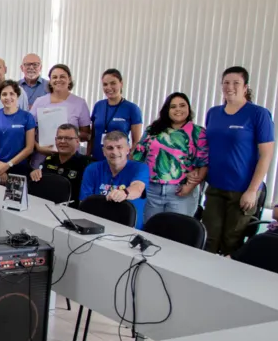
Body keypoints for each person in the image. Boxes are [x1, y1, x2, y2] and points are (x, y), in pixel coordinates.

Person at [201, 66, 276, 254]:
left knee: (231, 242)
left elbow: (266, 155)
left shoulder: (258, 114)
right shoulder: (213, 113)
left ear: (245, 87)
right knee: (209, 239)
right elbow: (207, 148)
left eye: (236, 83)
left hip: (242, 190)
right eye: (226, 82)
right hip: (215, 187)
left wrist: (252, 191)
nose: (230, 87)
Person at [131, 92, 208, 222]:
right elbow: (137, 156)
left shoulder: (198, 132)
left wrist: (190, 187)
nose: (178, 109)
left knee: (176, 234)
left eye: (182, 105)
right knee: (150, 231)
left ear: (188, 109)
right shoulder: (153, 129)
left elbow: (204, 163)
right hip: (151, 190)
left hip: (181, 192)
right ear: (167, 110)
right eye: (173, 106)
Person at [79, 131, 149, 229]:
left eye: (119, 147)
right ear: (103, 151)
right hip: (96, 226)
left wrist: (124, 193)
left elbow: (137, 188)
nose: (114, 152)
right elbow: (84, 203)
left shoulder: (140, 168)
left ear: (128, 149)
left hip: (129, 229)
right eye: (109, 148)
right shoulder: (92, 169)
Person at [30, 64, 91, 168]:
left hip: (70, 160)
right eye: (54, 77)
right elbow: (29, 131)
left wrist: (68, 137)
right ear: (50, 81)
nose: (58, 80)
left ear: (69, 79)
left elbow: (86, 135)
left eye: (62, 76)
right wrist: (38, 147)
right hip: (42, 158)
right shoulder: (40, 102)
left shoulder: (80, 103)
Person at [0, 80, 36, 184]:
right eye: (4, 94)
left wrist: (8, 165)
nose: (8, 97)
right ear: (0, 97)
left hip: (18, 167)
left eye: (12, 94)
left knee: (14, 199)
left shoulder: (27, 117)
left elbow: (29, 148)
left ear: (17, 96)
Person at [29, 124, 90, 205]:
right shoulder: (49, 160)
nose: (62, 141)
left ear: (77, 141)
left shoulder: (86, 164)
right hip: (45, 206)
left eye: (68, 138)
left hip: (71, 211)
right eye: (59, 138)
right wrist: (35, 173)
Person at [89, 69, 143, 158]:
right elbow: (92, 136)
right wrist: (88, 155)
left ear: (121, 84)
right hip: (96, 159)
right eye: (105, 84)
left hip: (118, 161)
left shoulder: (132, 108)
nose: (109, 87)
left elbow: (136, 143)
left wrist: (130, 163)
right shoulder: (98, 105)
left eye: (113, 83)